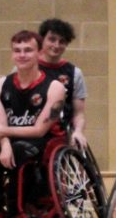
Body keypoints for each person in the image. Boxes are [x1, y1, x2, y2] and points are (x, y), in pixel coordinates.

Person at [0, 30, 66, 218]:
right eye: (17, 50)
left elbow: (39, 130)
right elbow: (0, 123)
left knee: (20, 152)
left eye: (28, 50)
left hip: (43, 139)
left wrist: (1, 133)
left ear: (39, 53)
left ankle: (16, 213)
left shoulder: (55, 88)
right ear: (12, 54)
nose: (22, 55)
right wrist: (4, 144)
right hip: (10, 137)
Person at [37, 18, 89, 150]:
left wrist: (78, 131)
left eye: (62, 41)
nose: (56, 45)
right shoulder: (26, 68)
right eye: (52, 39)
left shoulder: (74, 73)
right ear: (42, 40)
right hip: (29, 128)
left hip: (59, 133)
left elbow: (79, 113)